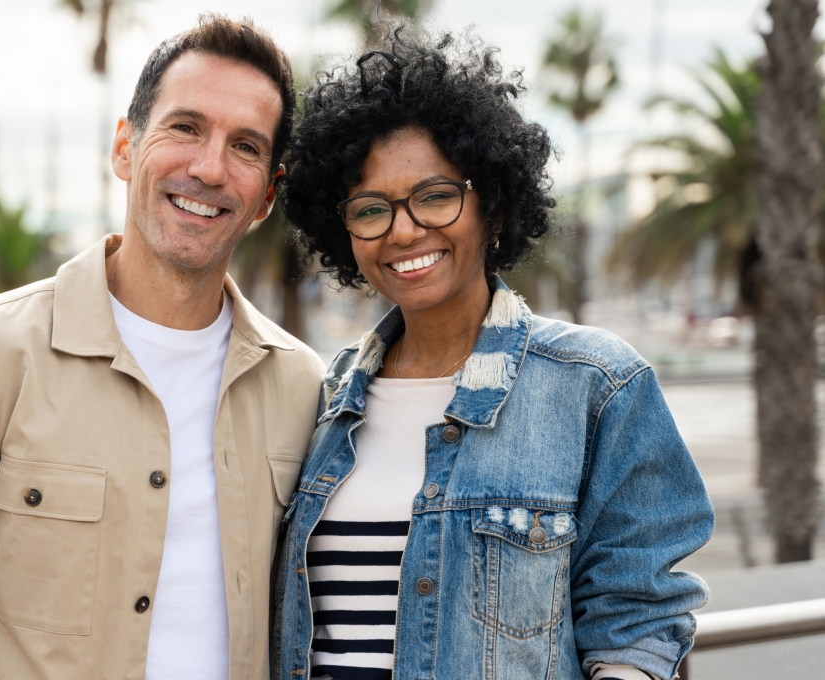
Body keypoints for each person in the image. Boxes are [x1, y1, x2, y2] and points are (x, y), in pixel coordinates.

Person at [0, 16, 324, 680]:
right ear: (125, 147)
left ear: (267, 195)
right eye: (185, 127)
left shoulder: (304, 388)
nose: (210, 167)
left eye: (245, 146)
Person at [272, 27, 713, 680]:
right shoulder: (318, 399)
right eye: (371, 209)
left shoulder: (596, 387)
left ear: (494, 206)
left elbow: (638, 619)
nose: (403, 229)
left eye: (435, 196)